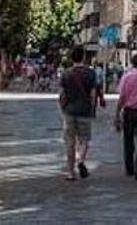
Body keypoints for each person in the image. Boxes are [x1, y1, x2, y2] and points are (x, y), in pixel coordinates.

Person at [58, 47, 99, 181]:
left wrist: (63, 108)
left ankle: (70, 173)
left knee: (70, 142)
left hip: (69, 112)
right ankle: (80, 160)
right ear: (83, 57)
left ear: (71, 58)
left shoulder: (66, 74)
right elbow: (93, 94)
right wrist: (92, 108)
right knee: (85, 139)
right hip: (84, 111)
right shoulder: (91, 73)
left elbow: (61, 94)